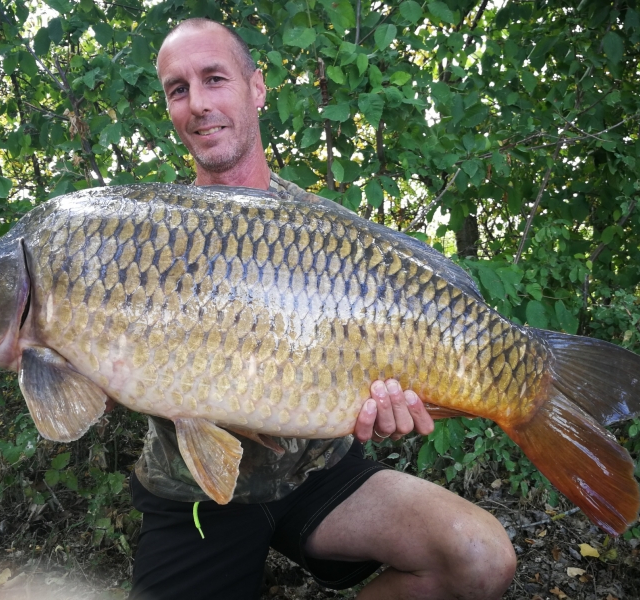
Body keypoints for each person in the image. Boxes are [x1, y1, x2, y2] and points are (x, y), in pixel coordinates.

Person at [128, 17, 517, 600]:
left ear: (256, 89)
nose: (198, 103)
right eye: (178, 90)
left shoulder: (322, 232)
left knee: (480, 556)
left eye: (214, 78)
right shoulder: (142, 235)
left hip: (319, 472)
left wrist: (404, 395)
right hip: (195, 488)